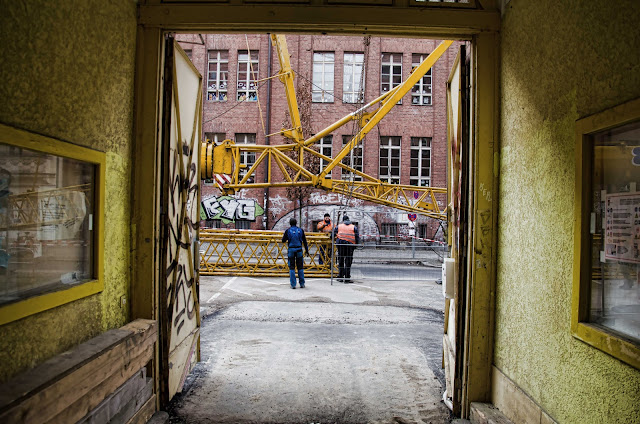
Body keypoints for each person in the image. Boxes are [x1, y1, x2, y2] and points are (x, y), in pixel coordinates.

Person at [282, 218, 309, 289]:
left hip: (291, 250)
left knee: (292, 267)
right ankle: (302, 283)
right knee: (300, 267)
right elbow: (305, 241)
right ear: (296, 223)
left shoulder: (288, 231)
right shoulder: (300, 230)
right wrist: (307, 250)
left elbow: (283, 240)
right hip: (299, 249)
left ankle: (293, 284)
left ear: (290, 223)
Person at [333, 215, 359, 283]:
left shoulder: (339, 226)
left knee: (341, 260)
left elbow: (333, 233)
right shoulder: (353, 227)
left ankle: (341, 277)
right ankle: (347, 278)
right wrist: (356, 245)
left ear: (343, 220)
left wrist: (331, 238)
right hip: (350, 246)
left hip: (341, 245)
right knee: (348, 262)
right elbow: (357, 236)